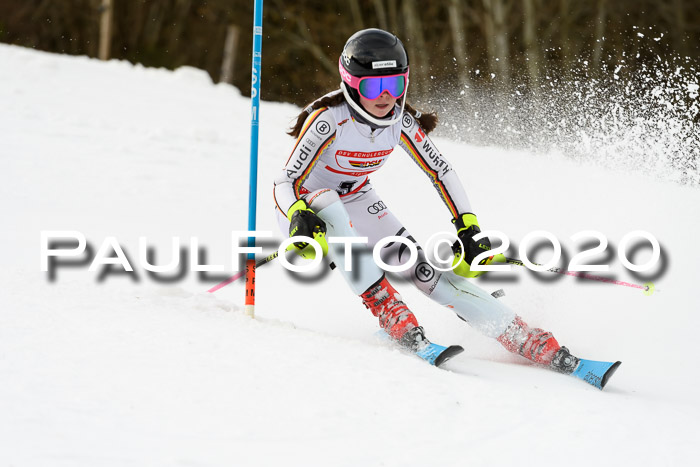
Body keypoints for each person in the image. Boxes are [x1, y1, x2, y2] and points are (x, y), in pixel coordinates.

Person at [273, 28, 581, 375]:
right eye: (374, 87)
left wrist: (468, 225)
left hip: (356, 196)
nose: (386, 96)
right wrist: (298, 213)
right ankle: (390, 311)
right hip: (306, 213)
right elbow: (285, 181)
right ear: (351, 83)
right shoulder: (328, 120)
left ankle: (521, 335)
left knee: (421, 269)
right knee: (331, 203)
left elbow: (440, 170)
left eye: (395, 84)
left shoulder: (400, 122)